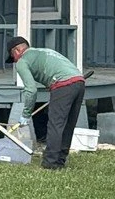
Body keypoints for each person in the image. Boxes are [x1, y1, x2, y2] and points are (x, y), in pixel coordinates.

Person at [6, 36, 86, 170]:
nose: (15, 62)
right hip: (79, 82)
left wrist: (26, 114)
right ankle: (60, 160)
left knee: (56, 124)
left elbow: (31, 90)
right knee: (68, 125)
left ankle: (50, 162)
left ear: (17, 51)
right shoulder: (45, 51)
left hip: (62, 84)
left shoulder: (22, 61)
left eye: (13, 58)